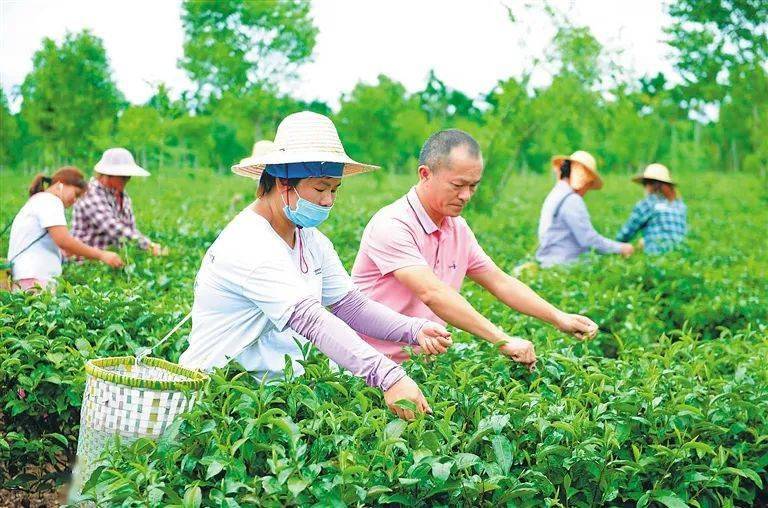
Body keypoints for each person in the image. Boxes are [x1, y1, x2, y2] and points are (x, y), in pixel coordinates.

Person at [178, 112, 452, 420]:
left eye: (334, 190)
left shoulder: (309, 239)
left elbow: (351, 307)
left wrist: (412, 329)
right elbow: (311, 320)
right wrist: (388, 376)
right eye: (320, 189)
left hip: (277, 395)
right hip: (223, 399)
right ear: (283, 183)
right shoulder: (248, 244)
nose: (327, 201)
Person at [351, 130, 600, 370]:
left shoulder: (456, 228)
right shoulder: (393, 225)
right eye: (457, 185)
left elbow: (499, 281)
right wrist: (502, 339)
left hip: (420, 366)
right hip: (366, 365)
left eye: (473, 186)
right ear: (425, 174)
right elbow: (432, 293)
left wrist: (559, 317)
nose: (466, 195)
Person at [5, 167, 124, 291]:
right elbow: (63, 241)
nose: (74, 200)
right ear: (60, 184)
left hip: (26, 277)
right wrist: (102, 255)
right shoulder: (51, 201)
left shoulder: (39, 200)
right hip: (35, 279)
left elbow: (61, 246)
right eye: (76, 194)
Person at [536, 150, 633, 267]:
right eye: (589, 184)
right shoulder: (572, 200)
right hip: (565, 264)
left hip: (550, 261)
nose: (587, 190)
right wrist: (620, 248)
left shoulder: (556, 193)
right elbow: (588, 239)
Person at [71, 147, 166, 256]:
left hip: (113, 260)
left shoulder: (123, 196)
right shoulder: (90, 193)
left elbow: (130, 229)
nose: (127, 180)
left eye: (128, 176)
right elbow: (113, 228)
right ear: (107, 175)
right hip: (85, 261)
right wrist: (148, 245)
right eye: (123, 177)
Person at [616, 163, 687, 253]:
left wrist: (614, 246)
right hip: (680, 253)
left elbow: (626, 233)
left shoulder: (647, 203)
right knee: (642, 242)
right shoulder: (680, 205)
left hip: (656, 256)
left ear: (649, 185)